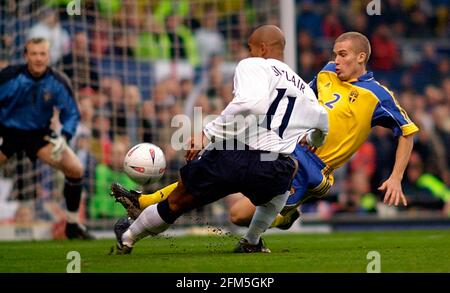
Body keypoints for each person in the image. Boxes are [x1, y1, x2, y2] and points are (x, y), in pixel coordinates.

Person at [113, 31, 419, 233]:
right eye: (335, 54)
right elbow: (301, 102)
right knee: (217, 165)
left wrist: (395, 177)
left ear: (361, 57)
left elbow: (407, 132)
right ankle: (145, 201)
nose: (335, 60)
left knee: (238, 217)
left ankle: (284, 216)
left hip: (313, 169)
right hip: (283, 147)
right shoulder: (326, 74)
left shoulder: (377, 95)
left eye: (342, 55)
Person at [110, 25, 329, 254]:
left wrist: (206, 133)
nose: (248, 54)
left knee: (178, 201)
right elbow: (323, 124)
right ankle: (251, 241)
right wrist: (311, 137)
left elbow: (250, 104)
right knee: (288, 173)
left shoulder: (254, 65)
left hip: (235, 153)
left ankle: (127, 237)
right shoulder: (306, 91)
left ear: (262, 49)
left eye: (250, 49)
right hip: (273, 165)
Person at [0, 37, 94, 239]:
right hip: (6, 132)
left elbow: (71, 113)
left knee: (75, 169)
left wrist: (65, 136)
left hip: (38, 134)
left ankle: (72, 225)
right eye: (34, 54)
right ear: (26, 56)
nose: (38, 58)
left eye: (42, 54)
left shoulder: (58, 82)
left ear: (49, 56)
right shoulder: (8, 77)